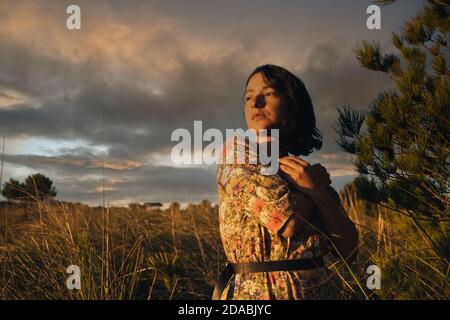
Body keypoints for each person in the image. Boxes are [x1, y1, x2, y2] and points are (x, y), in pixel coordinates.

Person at [213, 64, 358, 300]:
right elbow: (286, 219)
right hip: (259, 295)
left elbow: (350, 250)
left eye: (269, 94)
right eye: (248, 97)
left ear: (292, 104)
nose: (255, 103)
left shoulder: (305, 172)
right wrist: (311, 190)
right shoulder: (237, 152)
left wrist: (318, 193)